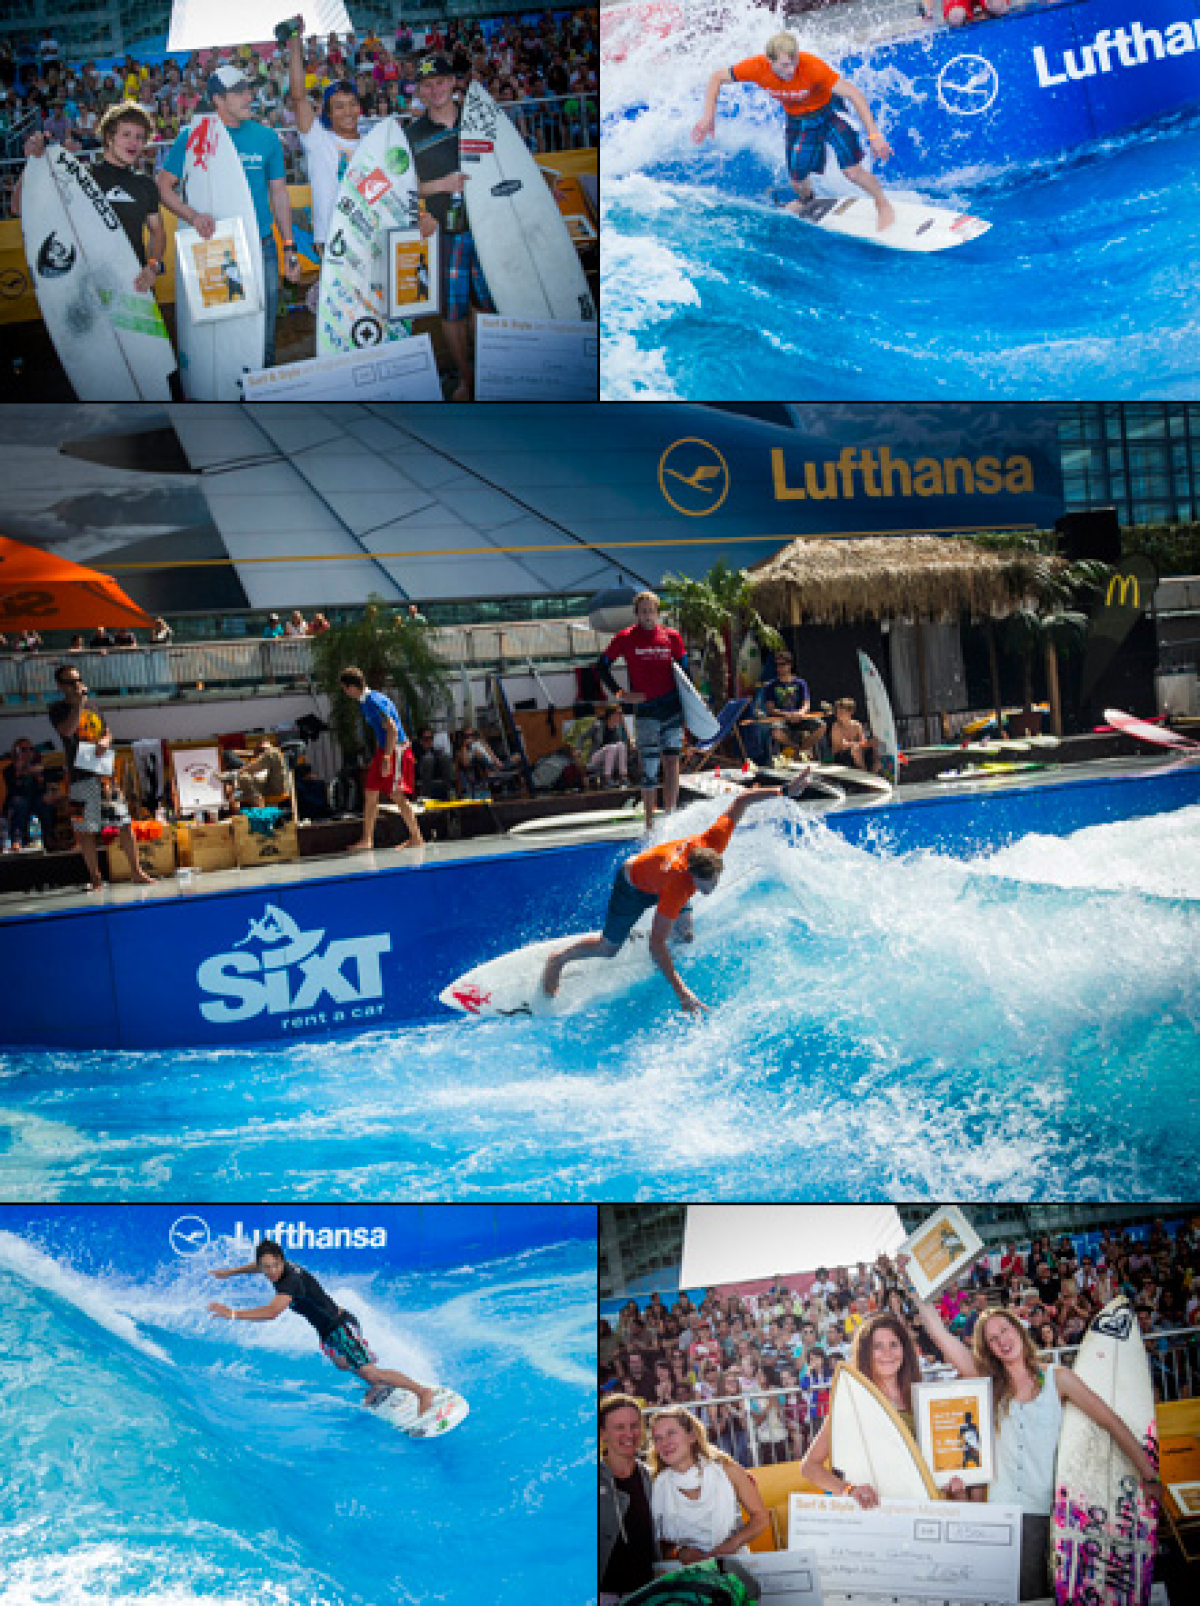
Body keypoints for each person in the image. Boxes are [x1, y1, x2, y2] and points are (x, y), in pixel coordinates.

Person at [902, 1272, 1161, 1600]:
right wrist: (911, 1283)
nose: (1001, 1341)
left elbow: (1110, 1420)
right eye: (992, 1339)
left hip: (1052, 1515)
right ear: (989, 1349)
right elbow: (940, 1334)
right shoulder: (989, 1384)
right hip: (1002, 1514)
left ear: (1018, 1330)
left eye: (1004, 1330)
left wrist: (1149, 1475)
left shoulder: (1058, 1378)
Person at [542, 785, 782, 1015]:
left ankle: (664, 959)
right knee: (609, 949)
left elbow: (742, 800)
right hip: (633, 887)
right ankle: (558, 959)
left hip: (659, 878)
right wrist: (681, 991)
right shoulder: (678, 887)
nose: (712, 889)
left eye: (716, 881)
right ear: (692, 876)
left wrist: (783, 791)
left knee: (685, 934)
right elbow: (656, 943)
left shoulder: (714, 842)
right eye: (706, 886)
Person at [158, 66, 301, 370]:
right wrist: (193, 216)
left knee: (264, 335)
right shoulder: (192, 136)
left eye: (249, 90)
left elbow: (279, 194)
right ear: (217, 99)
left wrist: (289, 245)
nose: (249, 96)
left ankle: (261, 396)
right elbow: (164, 186)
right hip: (216, 251)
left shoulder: (267, 137)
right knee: (221, 333)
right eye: (239, 92)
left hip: (262, 247)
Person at [208, 1237, 436, 1418]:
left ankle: (422, 1392)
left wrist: (232, 1313)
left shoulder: (290, 1282)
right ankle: (375, 1384)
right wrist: (231, 1272)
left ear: (282, 1259)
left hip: (340, 1326)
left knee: (370, 1372)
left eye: (274, 1266)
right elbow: (257, 1266)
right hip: (327, 1332)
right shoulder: (278, 1267)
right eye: (266, 1267)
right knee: (342, 1363)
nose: (271, 1272)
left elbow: (272, 1312)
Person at [693, 31, 895, 234]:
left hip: (829, 112)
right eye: (784, 65)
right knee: (797, 180)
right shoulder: (755, 67)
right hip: (798, 120)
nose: (792, 69)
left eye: (794, 62)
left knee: (852, 172)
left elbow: (854, 94)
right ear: (770, 61)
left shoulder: (812, 66)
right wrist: (708, 116)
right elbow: (717, 77)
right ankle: (807, 199)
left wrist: (874, 135)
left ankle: (882, 204)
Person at [408, 54, 498, 401]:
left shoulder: (481, 120)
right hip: (447, 233)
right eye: (428, 84)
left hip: (491, 226)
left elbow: (509, 161)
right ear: (419, 90)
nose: (436, 90)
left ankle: (491, 374)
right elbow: (407, 186)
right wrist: (441, 185)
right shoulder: (412, 134)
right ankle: (467, 380)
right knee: (452, 311)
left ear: (454, 83)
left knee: (489, 306)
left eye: (442, 81)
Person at [16, 101, 171, 304]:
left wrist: (152, 265)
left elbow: (157, 231)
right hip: (88, 292)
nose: (133, 142)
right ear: (109, 137)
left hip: (135, 286)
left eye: (139, 137)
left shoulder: (145, 184)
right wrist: (32, 163)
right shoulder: (80, 177)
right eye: (126, 135)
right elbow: (18, 207)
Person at [801, 1313, 946, 1505]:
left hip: (921, 1509)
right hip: (876, 1515)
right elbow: (809, 1467)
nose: (887, 1353)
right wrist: (849, 1490)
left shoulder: (921, 1399)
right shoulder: (853, 1403)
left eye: (894, 1344)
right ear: (866, 1353)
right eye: (878, 1346)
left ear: (904, 1350)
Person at [48, 662, 154, 890]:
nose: (76, 684)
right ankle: (95, 877)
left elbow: (106, 731)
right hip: (79, 779)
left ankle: (136, 871)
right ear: (60, 686)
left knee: (124, 823)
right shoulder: (58, 709)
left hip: (105, 775)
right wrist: (78, 705)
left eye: (78, 680)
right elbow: (66, 731)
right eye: (70, 682)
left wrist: (106, 740)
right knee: (85, 830)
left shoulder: (94, 706)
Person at [596, 591, 687, 827]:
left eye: (651, 610)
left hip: (672, 709)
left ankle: (670, 817)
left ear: (657, 613)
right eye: (643, 611)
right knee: (649, 767)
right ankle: (649, 824)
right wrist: (621, 694)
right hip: (646, 712)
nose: (647, 615)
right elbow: (601, 666)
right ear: (637, 614)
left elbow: (685, 675)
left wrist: (690, 707)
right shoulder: (625, 638)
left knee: (672, 762)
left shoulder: (673, 637)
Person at [649, 1406, 768, 1562]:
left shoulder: (728, 1471)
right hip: (681, 1575)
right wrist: (679, 1553)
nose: (664, 1442)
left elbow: (761, 1518)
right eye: (657, 1438)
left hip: (732, 1566)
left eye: (671, 1433)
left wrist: (732, 1544)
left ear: (692, 1436)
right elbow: (655, 1542)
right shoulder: (655, 1484)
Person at [338, 666, 424, 852]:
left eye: (345, 688)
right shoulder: (365, 701)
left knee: (396, 795)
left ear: (352, 687)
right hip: (384, 750)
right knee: (370, 792)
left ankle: (416, 837)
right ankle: (366, 840)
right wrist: (380, 754)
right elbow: (381, 730)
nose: (345, 693)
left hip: (396, 749)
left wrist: (386, 757)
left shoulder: (374, 702)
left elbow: (392, 730)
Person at [600, 1394, 660, 1606]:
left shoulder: (652, 1477)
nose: (629, 1434)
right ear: (603, 1434)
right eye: (619, 1427)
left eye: (634, 1426)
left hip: (648, 1592)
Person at [759, 650, 823, 760]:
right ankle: (797, 749)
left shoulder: (800, 683)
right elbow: (770, 708)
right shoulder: (770, 686)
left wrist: (799, 713)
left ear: (789, 665)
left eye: (782, 664)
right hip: (782, 718)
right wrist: (787, 715)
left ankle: (803, 749)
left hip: (799, 717)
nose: (779, 668)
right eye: (777, 665)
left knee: (821, 726)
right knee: (775, 731)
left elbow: (806, 704)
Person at [2, 738, 54, 849]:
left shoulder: (39, 767)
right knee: (19, 802)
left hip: (35, 801)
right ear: (16, 752)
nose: (28, 752)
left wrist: (41, 779)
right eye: (23, 749)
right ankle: (17, 840)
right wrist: (20, 771)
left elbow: (44, 788)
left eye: (31, 749)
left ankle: (47, 839)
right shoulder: (9, 770)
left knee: (45, 802)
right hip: (17, 802)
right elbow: (13, 790)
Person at [829, 696, 878, 771]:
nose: (838, 715)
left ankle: (875, 768)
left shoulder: (856, 725)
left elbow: (863, 742)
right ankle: (864, 771)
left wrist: (871, 743)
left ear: (850, 712)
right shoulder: (836, 727)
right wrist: (858, 744)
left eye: (841, 712)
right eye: (837, 713)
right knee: (856, 749)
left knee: (875, 743)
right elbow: (843, 746)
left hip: (856, 750)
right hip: (841, 756)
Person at [588, 705, 631, 786]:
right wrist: (578, 749)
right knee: (612, 747)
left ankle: (623, 777)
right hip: (597, 756)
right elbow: (583, 737)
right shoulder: (598, 725)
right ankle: (607, 778)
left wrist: (624, 726)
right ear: (612, 715)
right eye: (619, 713)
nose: (621, 716)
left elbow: (626, 743)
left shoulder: (618, 727)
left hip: (612, 756)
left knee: (621, 745)